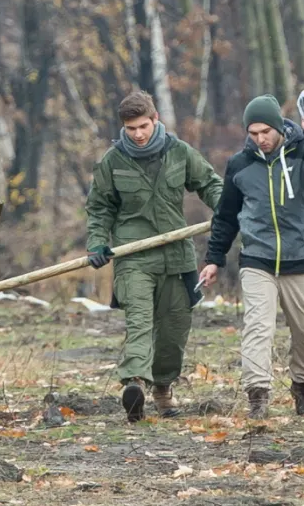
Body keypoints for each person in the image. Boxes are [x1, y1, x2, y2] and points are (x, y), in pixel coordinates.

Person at [85, 91, 223, 422]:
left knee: (174, 330)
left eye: (143, 126)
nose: (138, 134)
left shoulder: (180, 153)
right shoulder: (112, 162)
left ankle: (162, 388)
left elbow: (210, 184)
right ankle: (133, 383)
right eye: (131, 128)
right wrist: (96, 242)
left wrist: (227, 212)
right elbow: (99, 207)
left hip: (177, 257)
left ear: (155, 119)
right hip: (133, 256)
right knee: (140, 322)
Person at [199, 95, 304, 419]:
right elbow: (226, 216)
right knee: (258, 327)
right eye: (253, 133)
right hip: (257, 258)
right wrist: (214, 259)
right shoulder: (240, 165)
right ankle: (257, 396)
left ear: (277, 127)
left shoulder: (302, 152)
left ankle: (302, 386)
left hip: (299, 257)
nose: (260, 139)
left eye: (265, 131)